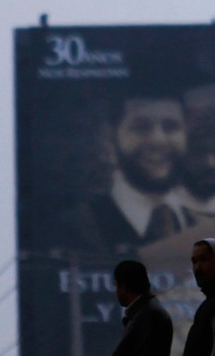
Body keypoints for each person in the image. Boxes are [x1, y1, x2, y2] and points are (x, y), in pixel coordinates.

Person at [71, 92, 194, 258]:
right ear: (108, 140)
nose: (158, 140)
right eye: (141, 127)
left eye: (171, 127)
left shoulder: (201, 224)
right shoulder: (77, 228)